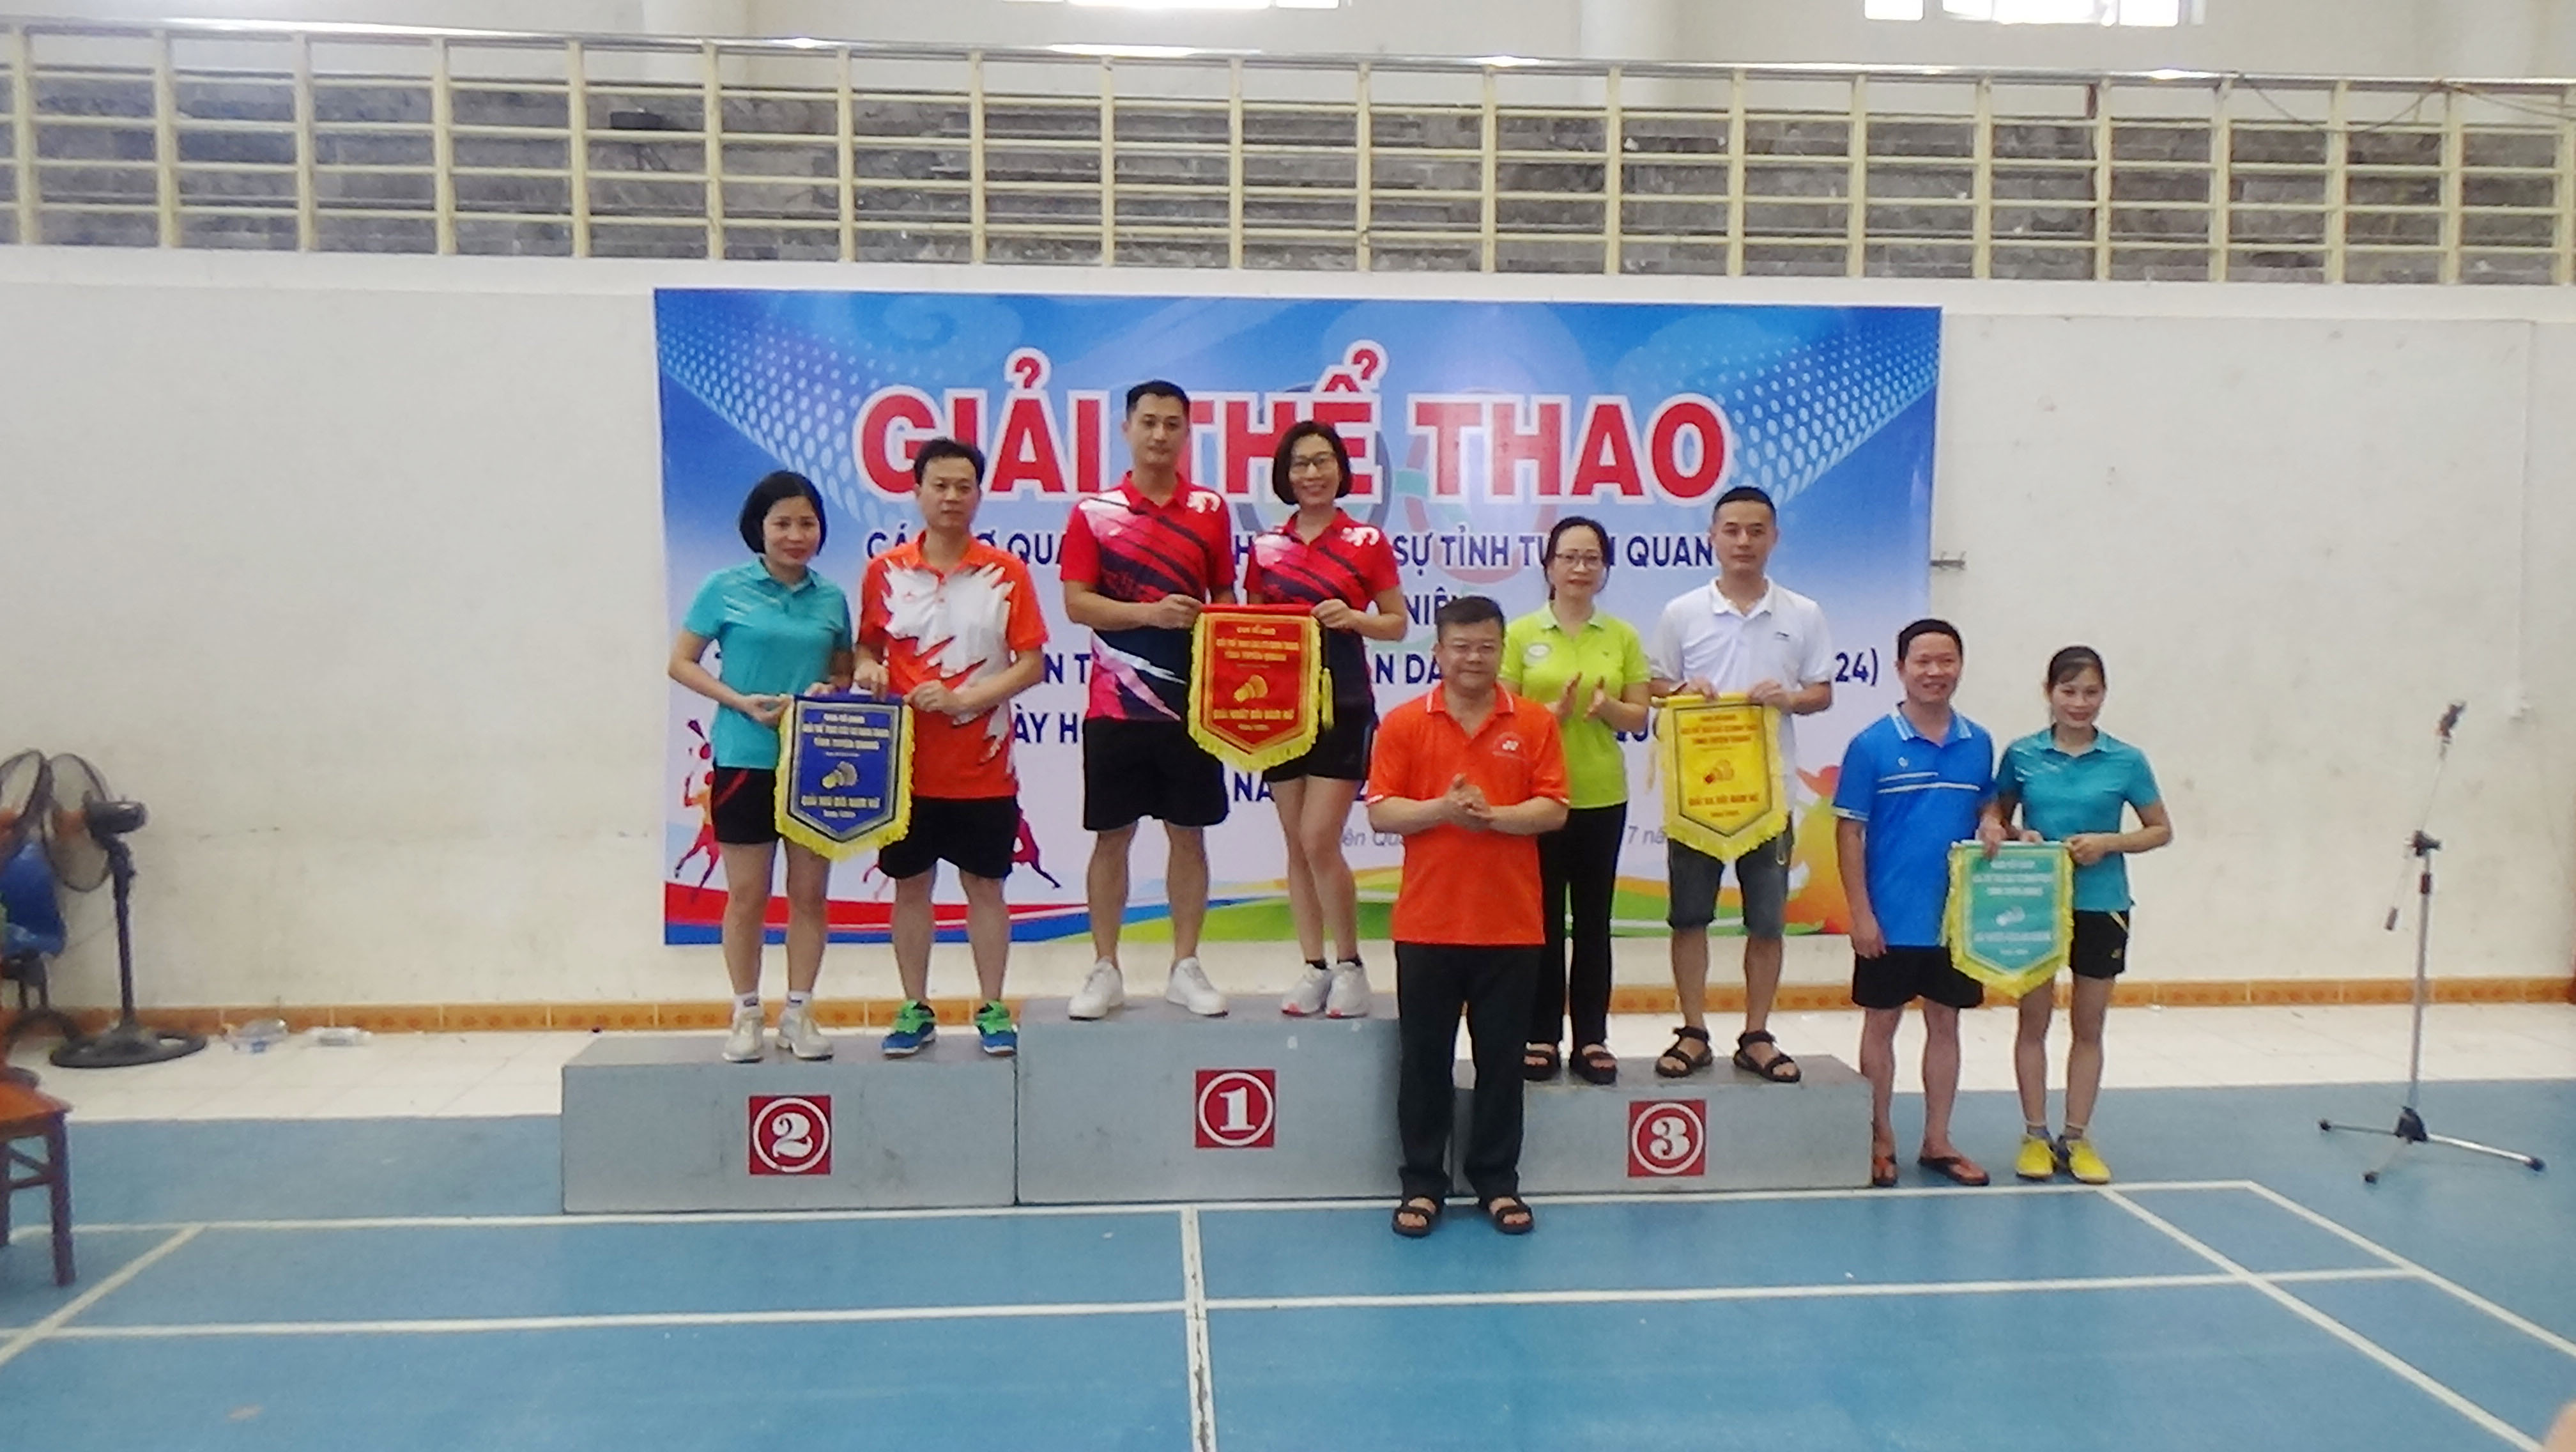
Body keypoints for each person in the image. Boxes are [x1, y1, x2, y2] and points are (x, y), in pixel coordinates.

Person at [1365, 596, 1570, 1239]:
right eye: (1461, 646)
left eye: (1486, 646)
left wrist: (1493, 818)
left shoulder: (1534, 722)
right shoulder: (1404, 722)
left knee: (1502, 1064)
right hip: (1427, 924)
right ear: (1438, 651)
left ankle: (1496, 1181)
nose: (1473, 658)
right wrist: (1443, 810)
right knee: (1424, 1062)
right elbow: (1381, 811)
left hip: (1511, 926)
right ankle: (1422, 1183)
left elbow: (1554, 809)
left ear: (1501, 651)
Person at [852, 438, 1049, 1059]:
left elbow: (1033, 665)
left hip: (983, 768)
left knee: (985, 888)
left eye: (964, 486)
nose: (951, 497)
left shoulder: (1006, 573)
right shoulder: (884, 572)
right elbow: (865, 648)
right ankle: (915, 1006)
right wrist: (868, 669)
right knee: (910, 888)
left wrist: (965, 699)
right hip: (903, 769)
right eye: (940, 485)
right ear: (917, 491)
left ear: (979, 495)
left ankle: (992, 1006)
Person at [1059, 381, 1238, 1019]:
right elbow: (1077, 603)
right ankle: (1104, 967)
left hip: (1193, 708)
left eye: (1172, 424)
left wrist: (1224, 644)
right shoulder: (1094, 512)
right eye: (1149, 422)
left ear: (1187, 432)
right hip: (1116, 706)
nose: (1160, 435)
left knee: (1188, 836)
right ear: (1127, 429)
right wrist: (1151, 614)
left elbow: (1225, 598)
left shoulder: (1211, 509)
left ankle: (1185, 964)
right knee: (1112, 838)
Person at [1646, 485, 1834, 1085]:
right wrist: (1682, 690)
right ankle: (1693, 1030)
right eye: (1732, 530)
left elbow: (1822, 692)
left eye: (1756, 530)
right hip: (1698, 795)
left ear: (1775, 537)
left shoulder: (1802, 613)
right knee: (1689, 917)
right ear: (1712, 537)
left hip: (1769, 796)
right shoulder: (1682, 612)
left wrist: (1790, 698)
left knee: (1768, 922)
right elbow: (1654, 686)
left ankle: (1757, 1033)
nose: (1744, 541)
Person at [668, 471, 854, 1063]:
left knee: (810, 894)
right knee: (747, 895)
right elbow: (681, 662)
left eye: (807, 524)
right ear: (759, 528)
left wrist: (832, 688)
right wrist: (738, 701)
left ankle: (800, 1013)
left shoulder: (831, 598)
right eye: (783, 524)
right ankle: (746, 1012)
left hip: (815, 765)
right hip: (744, 757)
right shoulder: (723, 588)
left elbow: (844, 670)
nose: (796, 536)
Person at [1980, 645, 2172, 1184]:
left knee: (2089, 1026)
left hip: (2102, 905)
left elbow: (2160, 829)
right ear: (2049, 693)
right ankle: (2035, 1135)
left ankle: (2077, 1137)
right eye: (2069, 691)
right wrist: (2017, 834)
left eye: (2091, 692)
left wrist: (2109, 842)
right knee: (2033, 1021)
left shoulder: (2126, 760)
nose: (2080, 703)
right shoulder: (2022, 754)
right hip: (2036, 903)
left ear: (2104, 695)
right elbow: (1997, 816)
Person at [1243, 420, 1407, 1019]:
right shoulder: (1266, 548)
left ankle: (1350, 964)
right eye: (1300, 464)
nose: (1312, 473)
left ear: (1341, 470)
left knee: (1319, 838)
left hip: (1344, 703)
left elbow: (1397, 623)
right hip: (1279, 709)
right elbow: (1249, 632)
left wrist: (1354, 619)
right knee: (1296, 842)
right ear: (1284, 477)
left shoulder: (1366, 541)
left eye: (1322, 461)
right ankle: (1313, 965)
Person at [1833, 618, 1994, 1189]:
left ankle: (1938, 1141)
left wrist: (1994, 820)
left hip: (1954, 923)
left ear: (1960, 666)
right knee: (1881, 1025)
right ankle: (1879, 1138)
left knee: (1946, 1024)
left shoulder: (1979, 743)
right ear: (1901, 669)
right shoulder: (1871, 745)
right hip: (1889, 919)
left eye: (1946, 660)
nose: (1935, 671)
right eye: (1923, 661)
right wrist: (1861, 914)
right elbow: (1849, 833)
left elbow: (1988, 806)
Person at [1499, 517, 1651, 1085]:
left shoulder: (1622, 636)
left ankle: (1593, 1037)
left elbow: (1639, 716)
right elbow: (1503, 714)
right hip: (1536, 797)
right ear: (1549, 566)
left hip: (1601, 793)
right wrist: (1548, 716)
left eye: (1592, 558)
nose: (1580, 568)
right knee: (1540, 923)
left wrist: (1608, 709)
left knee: (1593, 923)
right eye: (1569, 557)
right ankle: (1541, 1034)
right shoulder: (1520, 633)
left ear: (1605, 568)